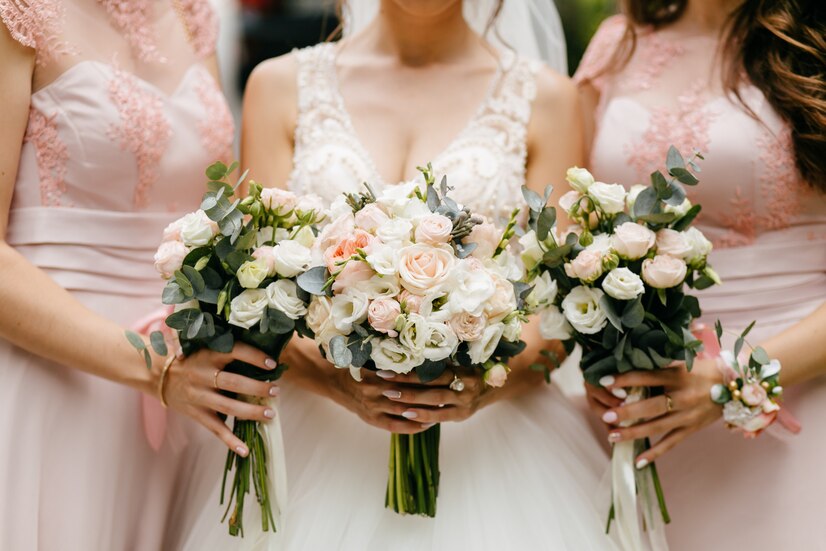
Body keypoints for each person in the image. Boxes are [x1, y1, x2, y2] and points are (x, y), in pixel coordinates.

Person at [179, 0, 619, 549]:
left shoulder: (549, 98)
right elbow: (259, 287)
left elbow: (555, 316)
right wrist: (336, 381)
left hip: (494, 451)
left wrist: (478, 388)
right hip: (315, 437)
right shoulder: (278, 86)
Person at [0, 2, 278, 549]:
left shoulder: (193, 14)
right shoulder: (17, 13)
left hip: (191, 392)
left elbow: (219, 212)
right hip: (59, 379)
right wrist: (156, 368)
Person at [576, 0, 826, 548]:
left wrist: (731, 379)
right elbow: (574, 228)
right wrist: (596, 357)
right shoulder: (618, 41)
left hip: (799, 401)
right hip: (639, 415)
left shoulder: (817, 42)